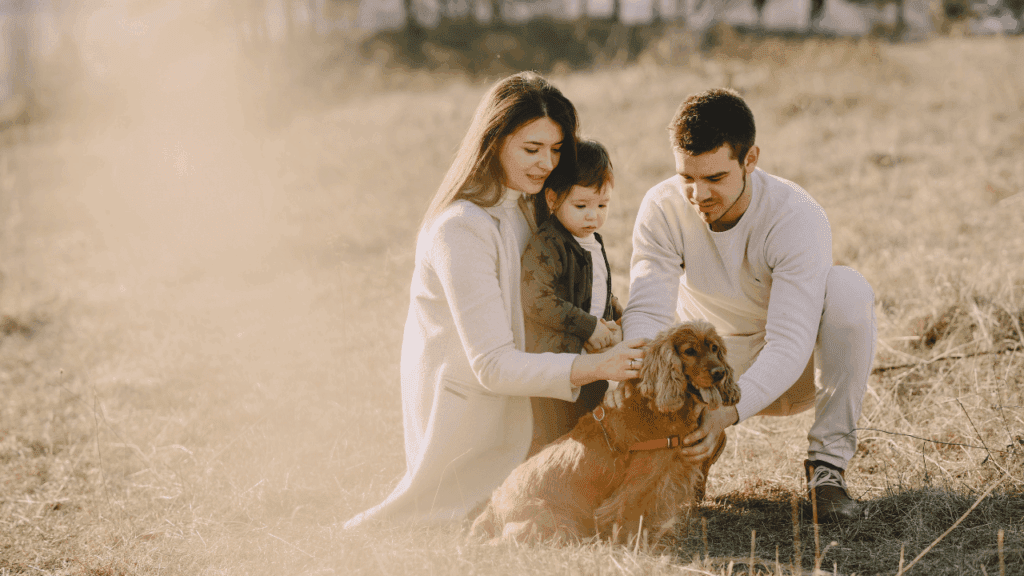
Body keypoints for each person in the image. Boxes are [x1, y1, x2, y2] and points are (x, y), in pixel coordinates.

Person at [343, 72, 646, 529]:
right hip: (477, 422)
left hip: (537, 399)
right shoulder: (460, 228)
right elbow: (493, 365)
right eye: (532, 149)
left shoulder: (529, 205)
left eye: (556, 149)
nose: (547, 163)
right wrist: (599, 367)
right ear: (494, 140)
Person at [621, 88, 877, 522]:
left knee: (849, 289)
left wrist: (729, 411)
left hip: (791, 372)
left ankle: (827, 470)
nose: (698, 194)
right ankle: (683, 453)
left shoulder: (796, 214)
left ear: (750, 159)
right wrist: (649, 393)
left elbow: (790, 340)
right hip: (702, 370)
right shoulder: (662, 207)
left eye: (715, 178)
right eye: (687, 177)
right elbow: (648, 311)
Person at [521, 139, 624, 455]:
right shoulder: (548, 244)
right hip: (556, 366)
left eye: (602, 205)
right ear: (553, 199)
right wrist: (589, 326)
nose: (593, 216)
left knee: (590, 429)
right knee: (555, 438)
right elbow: (538, 300)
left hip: (592, 363)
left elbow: (597, 288)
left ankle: (586, 485)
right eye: (581, 206)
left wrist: (616, 316)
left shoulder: (592, 239)